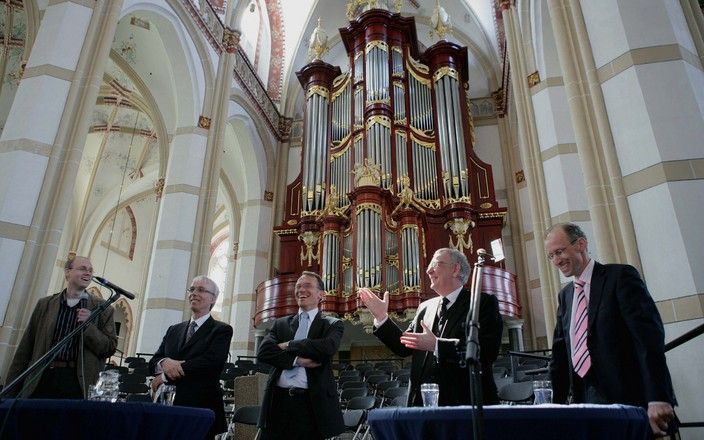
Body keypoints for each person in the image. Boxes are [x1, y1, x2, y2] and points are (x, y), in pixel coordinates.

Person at [545, 223, 677, 436]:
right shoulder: (566, 296)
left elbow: (648, 339)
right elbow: (559, 356)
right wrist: (555, 408)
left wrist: (658, 396)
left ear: (580, 244)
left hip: (626, 399)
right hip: (583, 401)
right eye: (551, 256)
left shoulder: (620, 277)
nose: (557, 261)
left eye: (559, 252)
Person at [359, 247, 503, 406]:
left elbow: (487, 351)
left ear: (455, 269)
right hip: (423, 405)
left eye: (437, 264)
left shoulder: (483, 303)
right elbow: (403, 347)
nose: (428, 271)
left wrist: (437, 345)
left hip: (465, 404)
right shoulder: (425, 307)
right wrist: (381, 317)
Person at [7, 255, 117, 398]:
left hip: (76, 382)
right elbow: (25, 349)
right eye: (82, 269)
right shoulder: (45, 305)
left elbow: (109, 348)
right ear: (67, 272)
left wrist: (88, 327)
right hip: (42, 377)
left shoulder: (103, 308)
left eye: (90, 270)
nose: (88, 273)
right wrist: (9, 393)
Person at [257, 271, 345, 440]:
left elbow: (327, 347)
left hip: (311, 406)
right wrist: (297, 361)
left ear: (321, 294)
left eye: (307, 286)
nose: (301, 290)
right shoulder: (281, 324)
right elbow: (264, 352)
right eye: (298, 286)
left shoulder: (332, 324)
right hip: (277, 403)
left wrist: (289, 344)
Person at [149, 275, 233, 440]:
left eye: (201, 290)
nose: (194, 293)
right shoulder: (174, 329)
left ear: (213, 299)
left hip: (200, 407)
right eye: (192, 289)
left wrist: (165, 375)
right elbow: (153, 362)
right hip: (168, 407)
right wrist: (164, 362)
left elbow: (211, 363)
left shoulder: (221, 330)